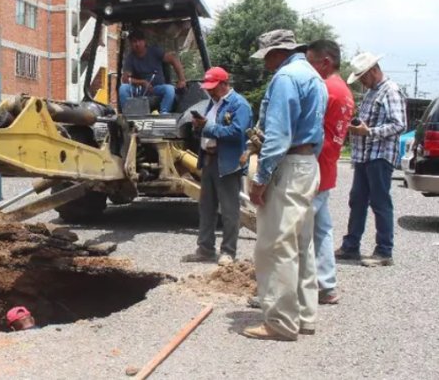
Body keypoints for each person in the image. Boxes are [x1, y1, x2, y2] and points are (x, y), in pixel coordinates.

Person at [242, 29, 327, 341]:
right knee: (301, 244)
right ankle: (304, 315)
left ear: (276, 52)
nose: (266, 64)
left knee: (276, 246)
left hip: (288, 166)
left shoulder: (285, 78)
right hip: (307, 164)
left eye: (266, 57)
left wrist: (260, 180)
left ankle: (280, 322)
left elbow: (277, 136)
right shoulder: (314, 76)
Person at [336, 52, 406, 267]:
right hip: (365, 156)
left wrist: (369, 132)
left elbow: (399, 124)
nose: (362, 82)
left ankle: (384, 251)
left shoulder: (390, 91)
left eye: (363, 77)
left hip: (379, 156)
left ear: (373, 71)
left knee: (380, 202)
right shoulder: (372, 93)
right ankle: (351, 246)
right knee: (357, 199)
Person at [181, 67, 253, 266]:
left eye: (213, 87)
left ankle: (228, 252)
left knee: (229, 211)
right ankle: (205, 249)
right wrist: (198, 128)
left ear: (224, 84)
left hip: (228, 164)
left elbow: (238, 132)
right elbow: (207, 131)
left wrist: (207, 127)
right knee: (206, 208)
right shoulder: (212, 105)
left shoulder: (240, 105)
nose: (210, 91)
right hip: (210, 161)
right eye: (208, 88)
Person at [305, 40, 355, 304]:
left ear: (325, 62)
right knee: (322, 229)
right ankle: (327, 285)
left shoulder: (325, 89)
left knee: (294, 229)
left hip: (313, 167)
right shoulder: (345, 91)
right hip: (328, 165)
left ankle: (285, 289)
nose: (308, 68)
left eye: (310, 62)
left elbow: (308, 127)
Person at [119, 29, 187, 114]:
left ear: (144, 41)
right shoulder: (130, 58)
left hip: (156, 88)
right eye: (134, 41)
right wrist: (142, 82)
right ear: (131, 44)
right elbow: (125, 79)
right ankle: (127, 114)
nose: (137, 44)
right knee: (123, 88)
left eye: (139, 41)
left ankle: (164, 112)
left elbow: (173, 60)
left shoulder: (155, 52)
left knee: (169, 89)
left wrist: (182, 79)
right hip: (140, 90)